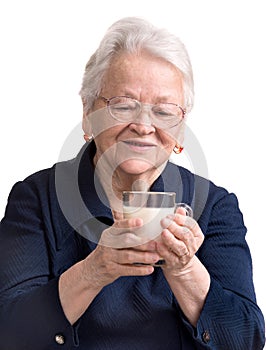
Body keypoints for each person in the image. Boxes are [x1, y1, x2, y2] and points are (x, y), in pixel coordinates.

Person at [0, 16, 264, 350]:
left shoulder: (214, 206)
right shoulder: (37, 198)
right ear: (87, 113)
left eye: (164, 111)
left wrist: (184, 269)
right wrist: (96, 270)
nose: (143, 125)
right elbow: (10, 334)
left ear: (181, 130)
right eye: (123, 106)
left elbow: (247, 341)